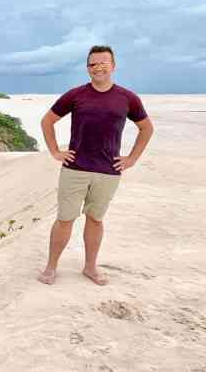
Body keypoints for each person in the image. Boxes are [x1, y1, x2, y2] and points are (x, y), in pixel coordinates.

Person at [37, 45, 154, 286]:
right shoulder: (76, 94)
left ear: (113, 66)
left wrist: (131, 159)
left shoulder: (127, 98)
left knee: (95, 219)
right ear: (87, 68)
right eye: (93, 64)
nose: (98, 67)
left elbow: (146, 128)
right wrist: (55, 151)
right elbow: (47, 121)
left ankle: (90, 267)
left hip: (108, 172)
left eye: (103, 62)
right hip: (75, 169)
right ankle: (51, 267)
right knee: (64, 219)